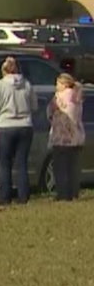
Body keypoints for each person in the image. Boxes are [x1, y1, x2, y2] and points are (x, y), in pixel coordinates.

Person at [0, 56, 38, 206]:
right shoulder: (27, 84)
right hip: (25, 125)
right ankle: (23, 196)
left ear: (3, 70)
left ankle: (5, 197)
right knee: (22, 163)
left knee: (5, 164)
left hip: (5, 125)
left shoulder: (0, 85)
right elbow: (34, 106)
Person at [47, 73, 85, 201]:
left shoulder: (59, 97)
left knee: (60, 168)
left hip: (61, 137)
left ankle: (63, 194)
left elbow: (49, 112)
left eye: (57, 83)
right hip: (76, 136)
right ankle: (74, 193)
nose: (56, 86)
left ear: (64, 84)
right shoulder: (78, 96)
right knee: (73, 168)